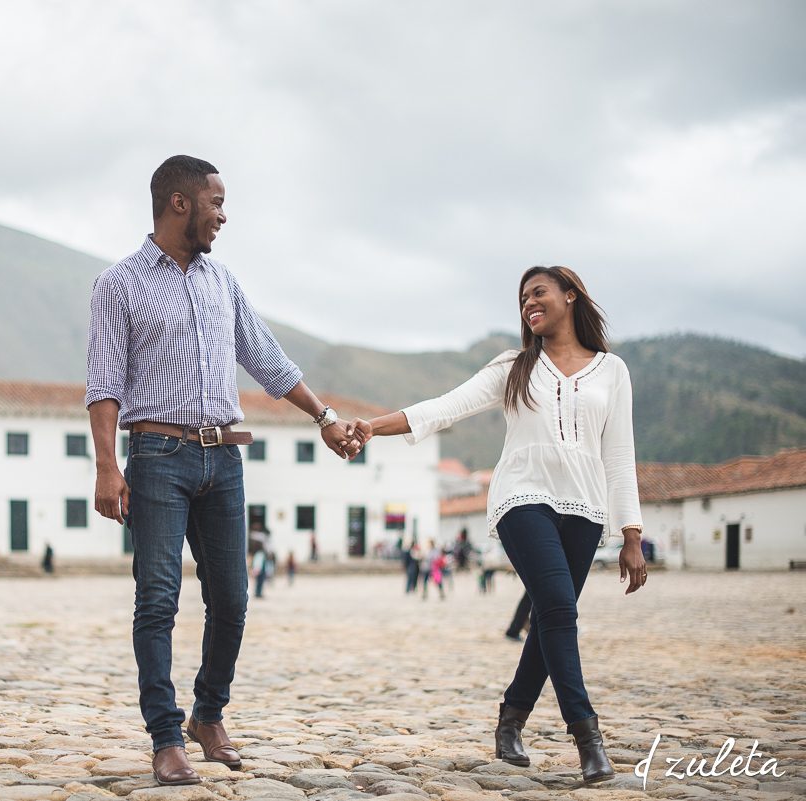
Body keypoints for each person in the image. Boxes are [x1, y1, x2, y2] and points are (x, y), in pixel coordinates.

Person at [86, 155, 363, 787]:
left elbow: (263, 354)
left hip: (226, 458)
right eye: (215, 202)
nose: (223, 215)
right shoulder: (119, 284)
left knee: (233, 601)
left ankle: (208, 715)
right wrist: (108, 466)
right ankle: (165, 734)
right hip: (157, 457)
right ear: (179, 203)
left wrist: (323, 417)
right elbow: (103, 382)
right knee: (157, 600)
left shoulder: (222, 281)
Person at [350, 265, 647, 785]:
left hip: (585, 508)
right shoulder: (515, 366)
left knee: (552, 617)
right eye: (523, 298)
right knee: (557, 608)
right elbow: (447, 407)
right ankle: (588, 736)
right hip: (521, 499)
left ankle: (510, 720)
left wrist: (631, 534)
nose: (529, 303)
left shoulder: (612, 371)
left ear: (570, 296)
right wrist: (372, 427)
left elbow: (619, 455)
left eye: (539, 293)